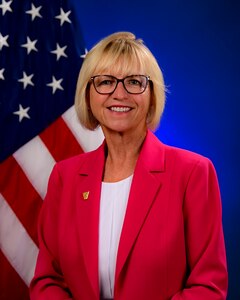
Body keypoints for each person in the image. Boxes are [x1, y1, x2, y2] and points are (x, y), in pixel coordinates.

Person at [30, 31, 228, 300]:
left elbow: (208, 286)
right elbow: (47, 281)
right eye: (106, 82)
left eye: (134, 82)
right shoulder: (64, 177)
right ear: (88, 94)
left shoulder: (193, 173)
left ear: (152, 95)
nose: (119, 93)